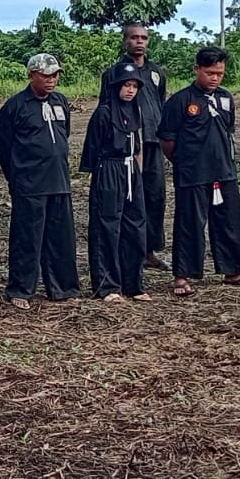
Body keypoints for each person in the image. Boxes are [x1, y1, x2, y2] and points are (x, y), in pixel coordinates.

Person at [158, 46, 240, 295]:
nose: (215, 78)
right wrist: (184, 162)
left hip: (224, 171)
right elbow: (167, 141)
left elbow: (228, 131)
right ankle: (183, 276)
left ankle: (233, 270)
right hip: (193, 173)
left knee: (229, 222)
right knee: (189, 224)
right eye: (210, 73)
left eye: (219, 73)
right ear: (197, 69)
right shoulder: (180, 101)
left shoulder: (226, 98)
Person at [0, 53, 79, 308]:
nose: (51, 80)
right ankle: (21, 289)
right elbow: (2, 142)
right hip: (29, 183)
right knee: (27, 238)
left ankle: (62, 288)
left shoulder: (60, 102)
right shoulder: (16, 105)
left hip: (58, 181)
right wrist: (17, 173)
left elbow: (64, 134)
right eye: (45, 75)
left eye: (55, 75)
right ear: (31, 75)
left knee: (61, 237)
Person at [81, 61, 150, 302]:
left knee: (136, 224)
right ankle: (107, 285)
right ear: (116, 86)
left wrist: (138, 174)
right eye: (126, 85)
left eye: (134, 86)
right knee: (107, 225)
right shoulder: (104, 113)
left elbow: (137, 145)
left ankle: (133, 284)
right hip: (109, 168)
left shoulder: (135, 110)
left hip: (131, 171)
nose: (130, 90)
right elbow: (92, 148)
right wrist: (99, 177)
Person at [104, 23, 170, 270]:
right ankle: (129, 249)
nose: (139, 41)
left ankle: (149, 250)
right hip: (129, 144)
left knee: (155, 195)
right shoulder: (114, 73)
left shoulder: (156, 72)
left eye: (144, 37)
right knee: (130, 196)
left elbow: (160, 102)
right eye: (134, 37)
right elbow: (107, 108)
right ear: (125, 41)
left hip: (153, 141)